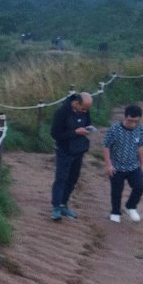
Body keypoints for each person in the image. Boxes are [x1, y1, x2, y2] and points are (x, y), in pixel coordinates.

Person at [50, 92, 93, 221]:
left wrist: (87, 129)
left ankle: (64, 205)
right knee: (61, 178)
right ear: (76, 103)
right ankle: (56, 208)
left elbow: (87, 123)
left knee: (73, 179)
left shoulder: (85, 111)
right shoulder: (62, 112)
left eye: (87, 109)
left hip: (78, 150)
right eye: (83, 108)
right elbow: (55, 134)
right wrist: (74, 132)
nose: (85, 111)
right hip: (64, 150)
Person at [103, 105, 143, 223]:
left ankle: (130, 206)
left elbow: (140, 147)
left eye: (135, 121)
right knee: (116, 191)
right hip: (117, 166)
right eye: (130, 120)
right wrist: (109, 165)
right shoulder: (114, 129)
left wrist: (142, 165)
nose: (132, 123)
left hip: (133, 166)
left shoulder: (140, 129)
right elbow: (106, 147)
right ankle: (115, 212)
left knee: (139, 187)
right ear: (125, 117)